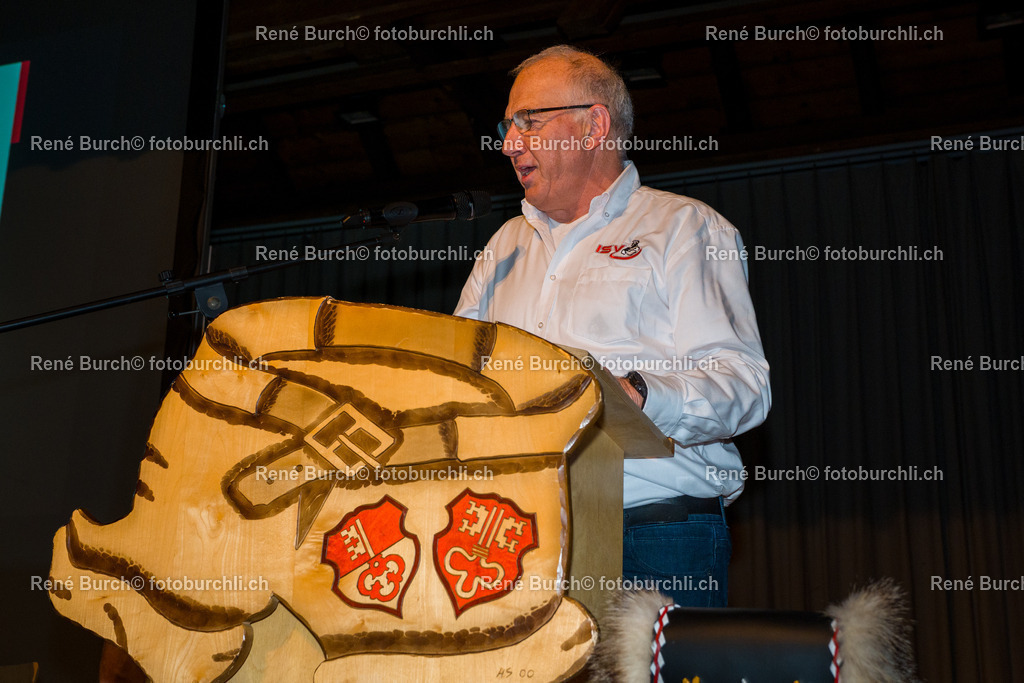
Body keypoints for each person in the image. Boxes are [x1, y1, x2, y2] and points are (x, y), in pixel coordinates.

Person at [454, 45, 770, 607]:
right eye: (507, 126)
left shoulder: (684, 228)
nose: (509, 144)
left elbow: (743, 386)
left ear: (594, 125)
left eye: (528, 121)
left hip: (651, 529)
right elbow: (459, 376)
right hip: (513, 538)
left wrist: (636, 396)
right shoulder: (503, 247)